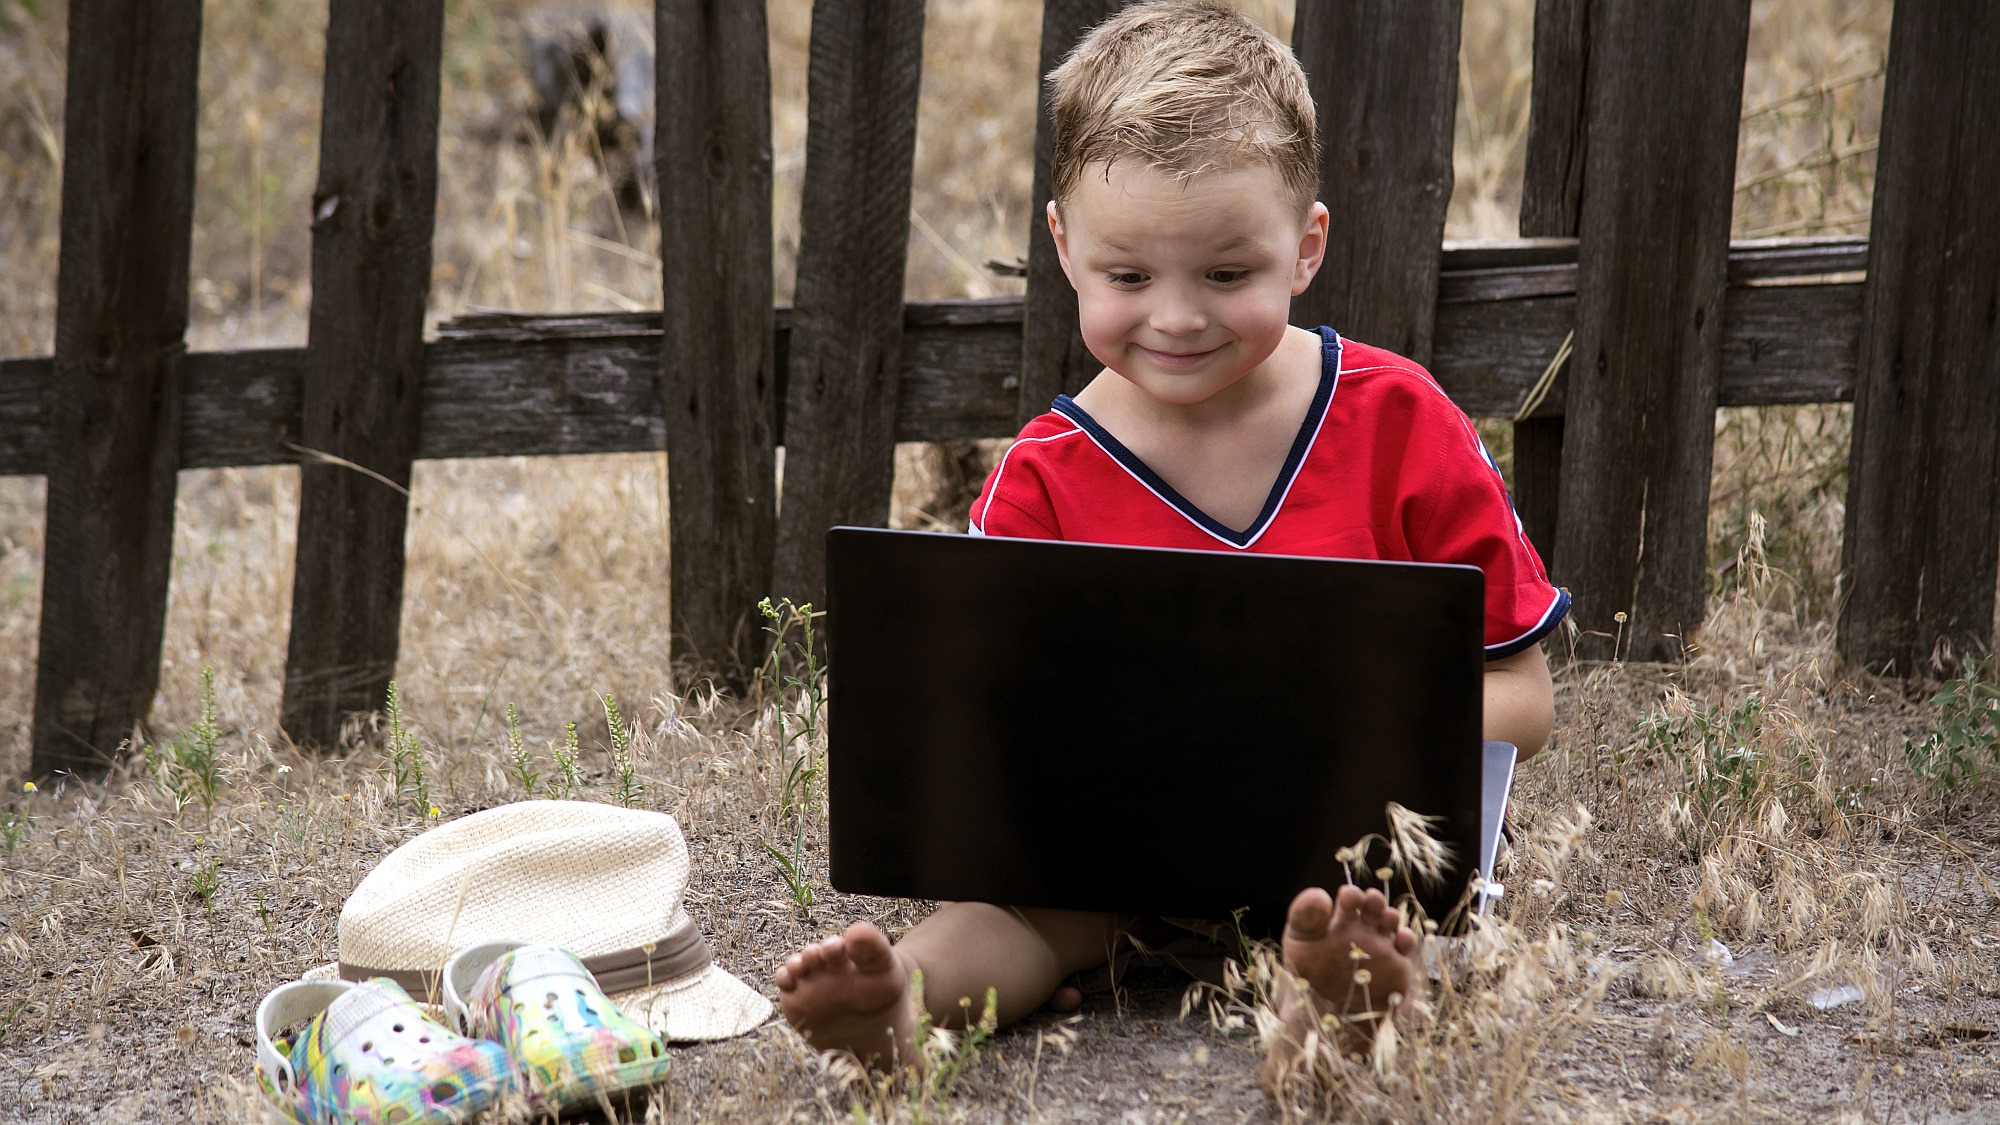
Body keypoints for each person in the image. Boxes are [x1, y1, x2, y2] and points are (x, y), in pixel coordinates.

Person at [775, 0, 1564, 1091]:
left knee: (1370, 916)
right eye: (1129, 277)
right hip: (1115, 857)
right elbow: (980, 728)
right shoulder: (1044, 476)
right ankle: (901, 1004)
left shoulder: (1400, 422)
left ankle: (1330, 1014)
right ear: (1062, 248)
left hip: (1347, 844)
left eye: (1226, 275)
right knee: (1012, 913)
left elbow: (1524, 698)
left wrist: (1322, 727)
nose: (1178, 318)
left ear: (1305, 247)